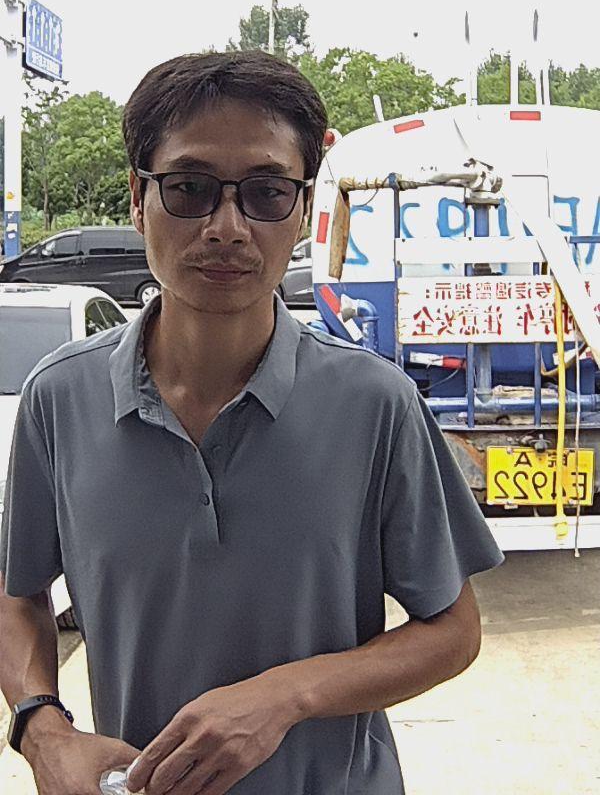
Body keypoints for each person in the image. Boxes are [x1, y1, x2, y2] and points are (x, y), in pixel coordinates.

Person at [0, 50, 504, 795]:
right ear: (138, 198)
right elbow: (17, 594)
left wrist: (286, 695)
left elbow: (453, 630)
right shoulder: (59, 399)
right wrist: (42, 729)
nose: (227, 227)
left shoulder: (374, 404)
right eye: (190, 188)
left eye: (266, 192)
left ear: (302, 211)